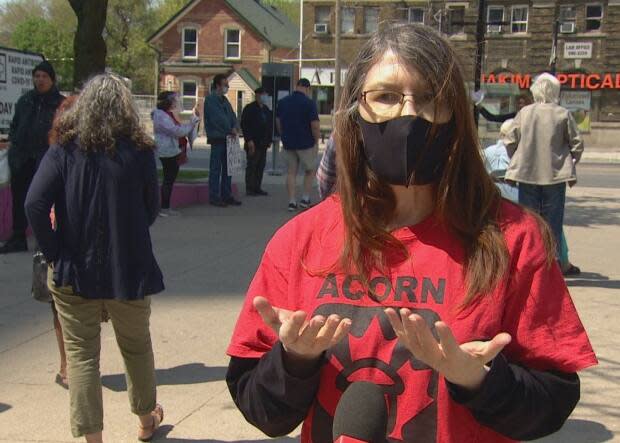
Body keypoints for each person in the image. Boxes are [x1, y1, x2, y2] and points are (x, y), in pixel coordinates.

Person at [226, 24, 596, 443]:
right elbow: (263, 412)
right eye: (385, 97)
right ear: (355, 112)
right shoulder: (301, 240)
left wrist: (480, 381)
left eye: (429, 98)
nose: (408, 113)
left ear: (454, 115)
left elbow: (550, 405)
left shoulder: (515, 238)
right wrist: (294, 360)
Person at [25, 74, 165, 443]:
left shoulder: (64, 150)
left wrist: (55, 252)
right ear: (125, 108)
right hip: (130, 268)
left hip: (74, 270)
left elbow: (34, 204)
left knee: (82, 356)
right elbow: (152, 208)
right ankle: (146, 420)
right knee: (137, 347)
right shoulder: (140, 150)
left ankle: (93, 438)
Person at [503, 73, 584, 261]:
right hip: (555, 175)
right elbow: (577, 145)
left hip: (526, 173)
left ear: (534, 91)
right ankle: (550, 264)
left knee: (528, 222)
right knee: (552, 223)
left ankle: (528, 261)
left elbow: (509, 140)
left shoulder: (525, 113)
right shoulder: (562, 113)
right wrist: (570, 163)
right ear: (556, 91)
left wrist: (517, 158)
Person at [0, 60, 64, 254]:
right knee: (20, 199)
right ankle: (18, 237)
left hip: (46, 158)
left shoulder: (59, 103)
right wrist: (14, 144)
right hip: (22, 158)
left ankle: (46, 239)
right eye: (36, 76)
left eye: (44, 76)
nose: (40, 80)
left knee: (44, 199)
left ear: (52, 79)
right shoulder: (26, 100)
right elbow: (15, 125)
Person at [152, 91, 200, 216]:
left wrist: (190, 124)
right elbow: (176, 131)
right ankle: (164, 207)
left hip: (171, 149)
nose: (176, 103)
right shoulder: (161, 116)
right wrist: (191, 124)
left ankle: (166, 206)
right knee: (169, 179)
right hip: (168, 151)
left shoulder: (165, 115)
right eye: (174, 100)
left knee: (170, 179)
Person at [276, 78, 320, 211]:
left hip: (288, 142)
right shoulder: (309, 103)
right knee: (310, 170)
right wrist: (316, 140)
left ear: (296, 86)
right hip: (306, 142)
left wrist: (283, 134)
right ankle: (305, 198)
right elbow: (315, 125)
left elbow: (278, 121)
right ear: (307, 88)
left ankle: (291, 201)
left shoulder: (283, 102)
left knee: (291, 172)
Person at [204, 73, 241, 207]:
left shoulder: (225, 100)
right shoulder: (211, 100)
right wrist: (229, 129)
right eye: (225, 85)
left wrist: (235, 127)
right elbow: (218, 118)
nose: (227, 87)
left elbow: (232, 116)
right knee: (215, 169)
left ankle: (227, 194)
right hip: (217, 138)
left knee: (228, 169)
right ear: (218, 85)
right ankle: (214, 196)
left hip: (229, 139)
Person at [241, 87, 273, 196]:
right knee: (252, 165)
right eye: (263, 94)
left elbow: (269, 125)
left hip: (263, 143)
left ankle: (257, 187)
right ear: (257, 95)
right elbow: (245, 125)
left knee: (261, 166)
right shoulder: (249, 109)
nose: (265, 97)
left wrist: (269, 140)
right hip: (253, 143)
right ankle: (249, 188)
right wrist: (249, 140)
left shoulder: (266, 110)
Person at [482, 119, 519, 202]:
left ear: (501, 134)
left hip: (491, 194)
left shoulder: (487, 151)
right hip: (515, 197)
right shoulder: (519, 154)